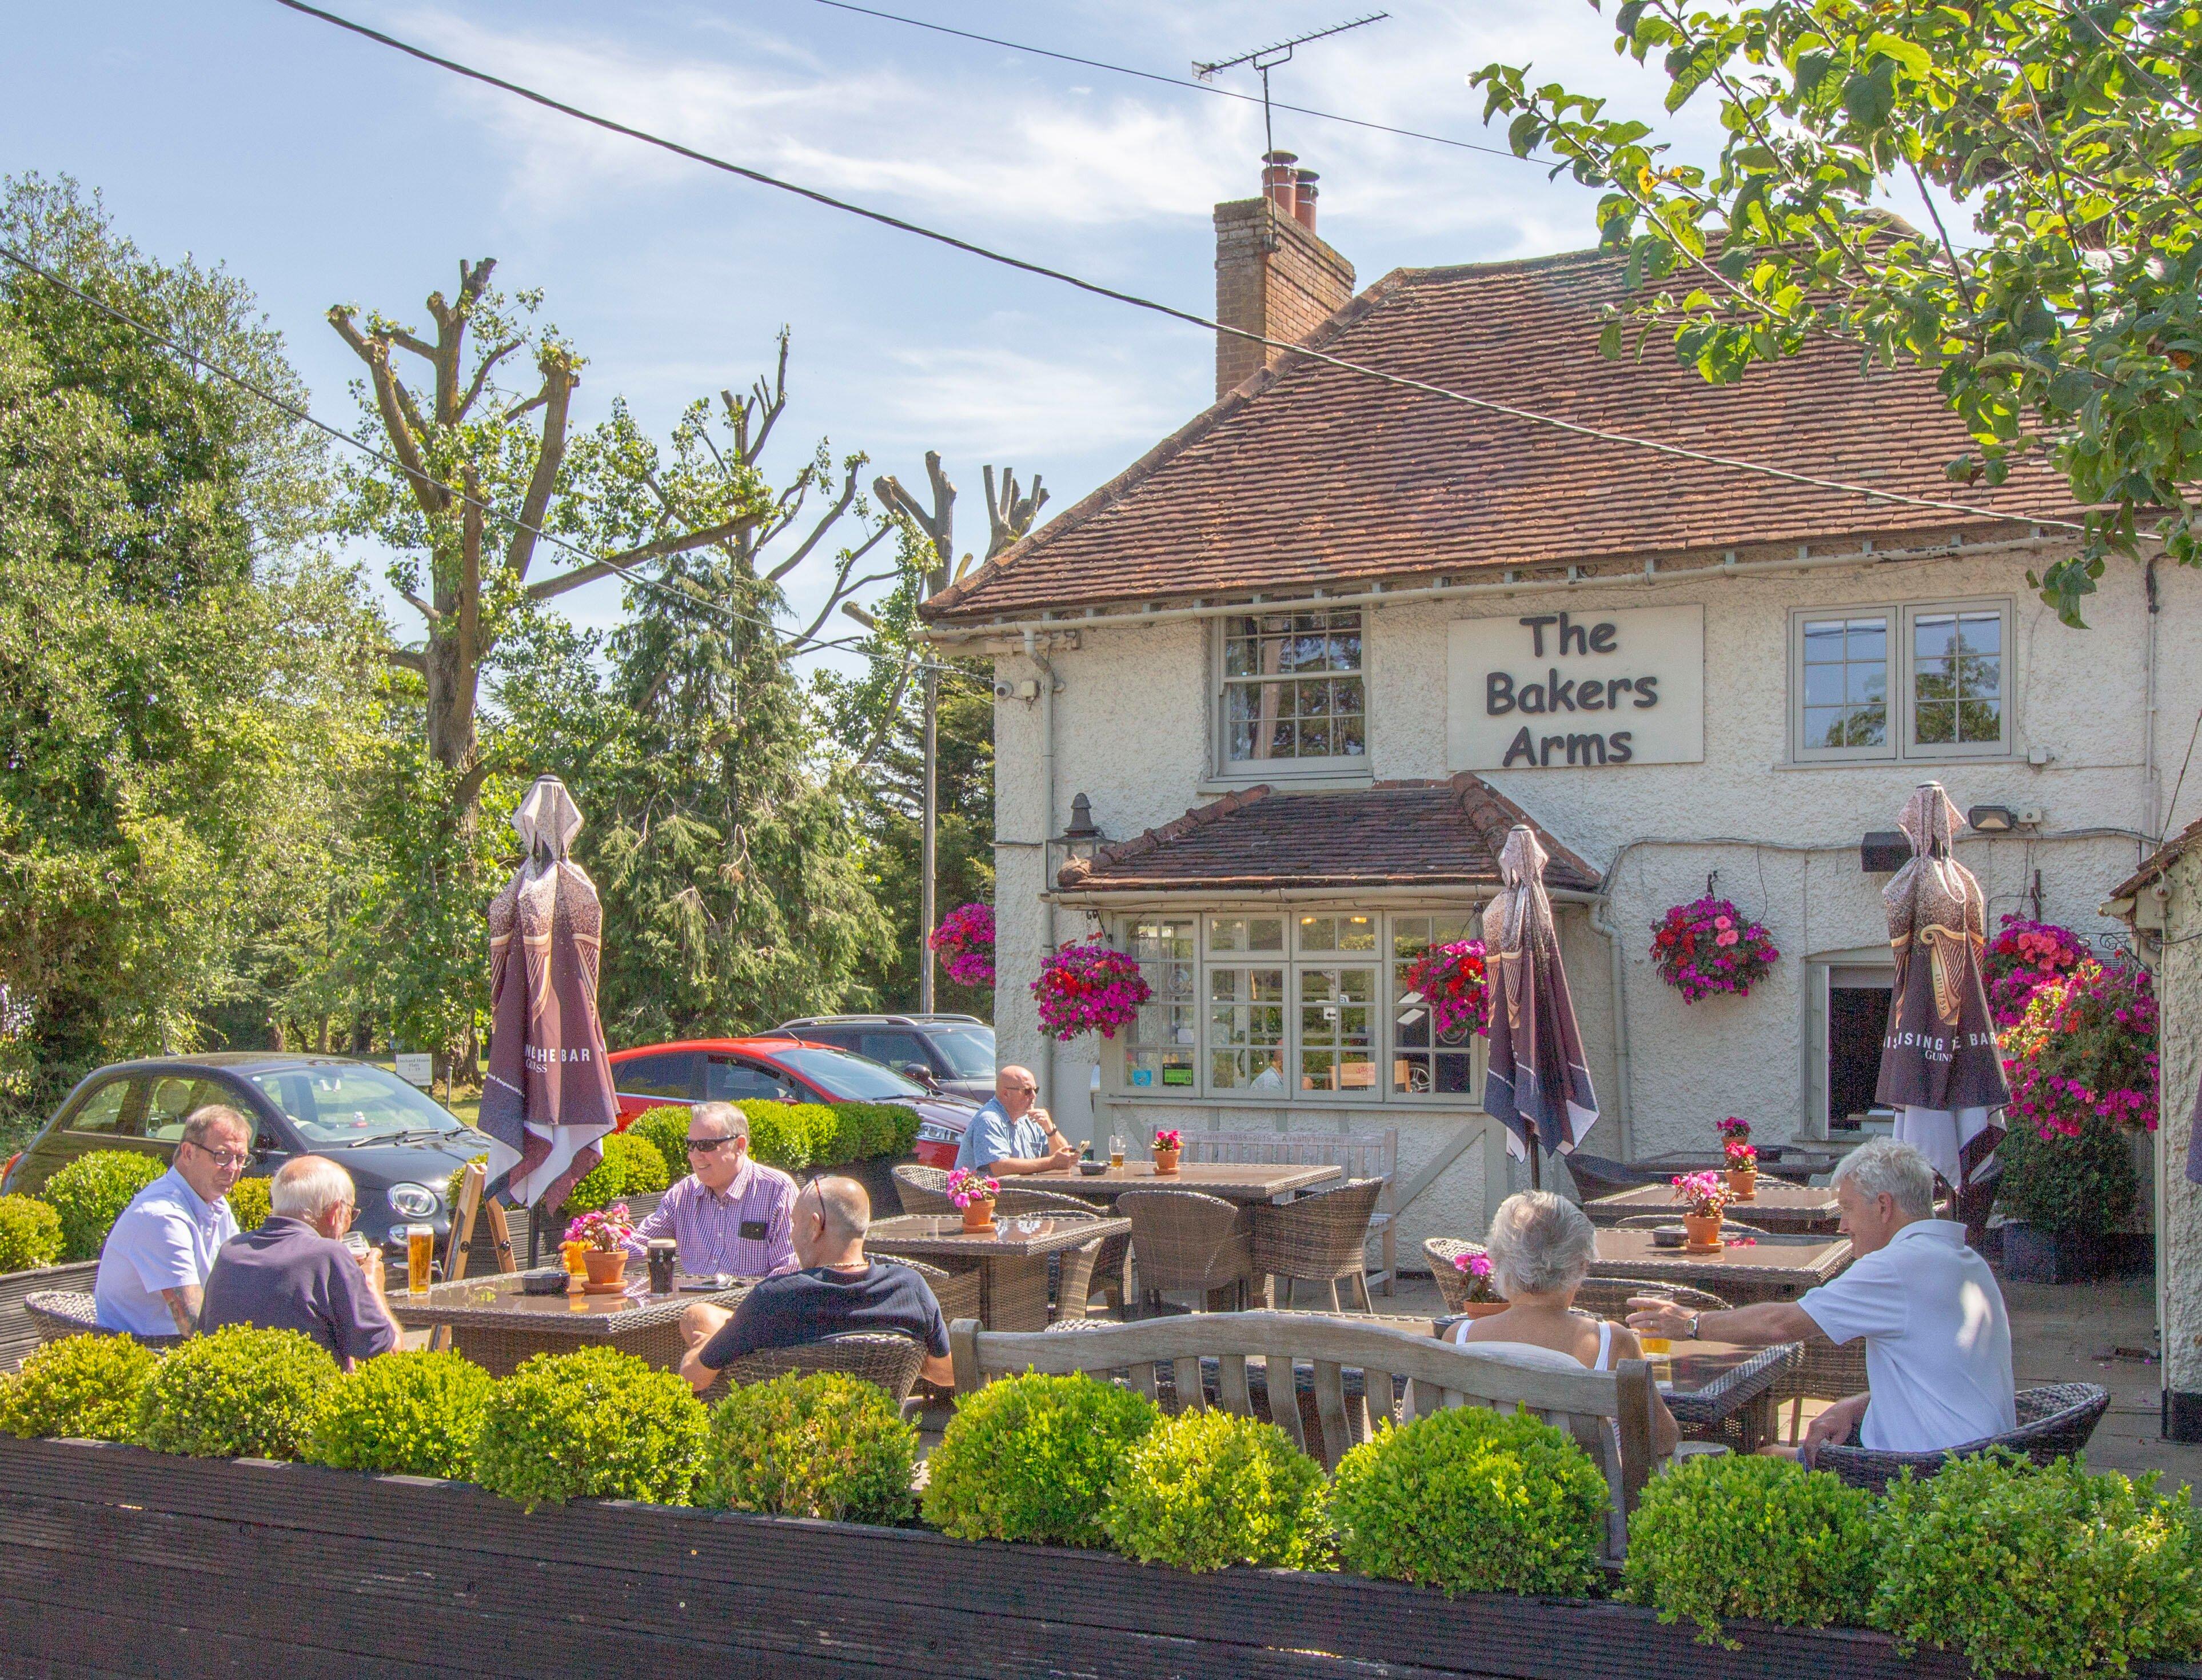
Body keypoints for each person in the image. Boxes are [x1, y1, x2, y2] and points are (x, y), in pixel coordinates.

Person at [1627, 1135, 2015, 1460]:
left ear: (1883, 1206)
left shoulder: (1894, 1267)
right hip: (1977, 1464)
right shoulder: (1968, 1262)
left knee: (1758, 1459)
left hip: (1922, 1473)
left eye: (1847, 1208)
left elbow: (1781, 1324)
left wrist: (1693, 1323)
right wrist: (1856, 1405)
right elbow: (1937, 1381)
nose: (1843, 1224)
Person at [1446, 1191, 1678, 1456]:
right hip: (1587, 1496)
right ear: (1580, 1267)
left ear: (1499, 1262)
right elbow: (1664, 1440)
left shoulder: (1458, 1339)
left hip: (1486, 1494)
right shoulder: (1612, 1342)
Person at [677, 1175, 952, 1396]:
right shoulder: (910, 1287)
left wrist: (708, 1343)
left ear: (815, 1226)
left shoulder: (774, 1299)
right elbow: (946, 1374)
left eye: (794, 1224)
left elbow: (693, 1379)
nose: (791, 1234)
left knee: (700, 1323)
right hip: (875, 1446)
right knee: (702, 1314)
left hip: (784, 1449)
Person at [200, 1155, 398, 1368]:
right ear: (335, 1212)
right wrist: (371, 1286)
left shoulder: (231, 1251)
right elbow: (390, 1356)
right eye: (351, 1213)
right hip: (310, 1396)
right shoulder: (329, 1255)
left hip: (234, 1394)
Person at [92, 1105, 250, 1337]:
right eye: (223, 1156)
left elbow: (237, 1283)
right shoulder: (163, 1216)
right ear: (188, 1153)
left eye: (241, 1158)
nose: (234, 1169)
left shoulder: (216, 1202)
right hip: (147, 1352)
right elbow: (192, 1323)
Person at [625, 1102, 798, 1278]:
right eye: (691, 1145)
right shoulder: (684, 1193)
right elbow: (639, 1244)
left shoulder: (776, 1189)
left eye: (706, 1145)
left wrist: (746, 1300)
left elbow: (790, 1267)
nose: (694, 1155)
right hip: (691, 1299)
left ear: (740, 1146)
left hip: (753, 1300)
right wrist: (601, 1246)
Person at [954, 1064, 1077, 1176]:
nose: (1034, 1096)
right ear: (1006, 1093)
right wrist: (1051, 1163)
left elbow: (1063, 1159)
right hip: (987, 1198)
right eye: (1027, 1091)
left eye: (1036, 1090)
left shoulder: (1030, 1119)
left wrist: (1051, 1130)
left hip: (1022, 1194)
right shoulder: (988, 1120)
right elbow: (999, 1167)